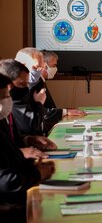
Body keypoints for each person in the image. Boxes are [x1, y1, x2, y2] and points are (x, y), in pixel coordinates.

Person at [0, 73, 55, 221]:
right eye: (4, 96)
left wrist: (29, 140)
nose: (8, 100)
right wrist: (38, 173)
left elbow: (11, 152)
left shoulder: (1, 121)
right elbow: (6, 181)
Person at [0, 59, 57, 158]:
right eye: (21, 84)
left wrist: (29, 140)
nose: (26, 88)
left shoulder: (7, 106)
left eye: (27, 84)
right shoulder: (11, 103)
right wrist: (20, 152)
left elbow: (13, 140)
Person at [41, 50, 85, 131]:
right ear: (44, 65)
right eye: (53, 65)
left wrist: (66, 110)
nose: (55, 69)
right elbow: (42, 112)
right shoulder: (34, 83)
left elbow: (49, 108)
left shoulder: (42, 82)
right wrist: (65, 112)